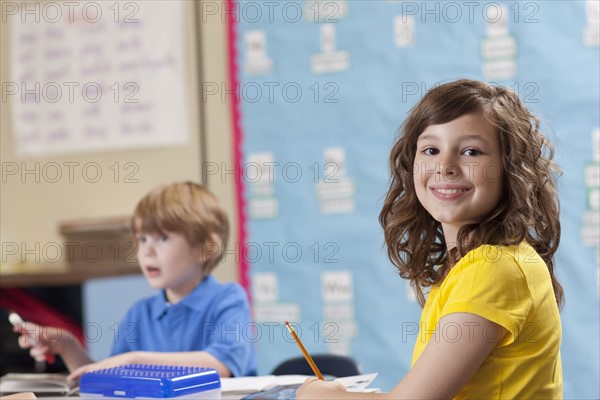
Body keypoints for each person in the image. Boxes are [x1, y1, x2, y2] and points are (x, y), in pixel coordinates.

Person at [296, 79, 563, 399]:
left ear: (509, 169)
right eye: (431, 149)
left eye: (470, 151)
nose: (445, 166)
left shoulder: (494, 268)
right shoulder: (468, 267)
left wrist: (319, 395)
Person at [13, 181, 257, 380]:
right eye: (142, 239)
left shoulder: (228, 299)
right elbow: (109, 377)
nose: (147, 251)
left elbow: (220, 367)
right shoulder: (139, 314)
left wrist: (136, 360)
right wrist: (68, 346)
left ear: (206, 249)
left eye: (163, 238)